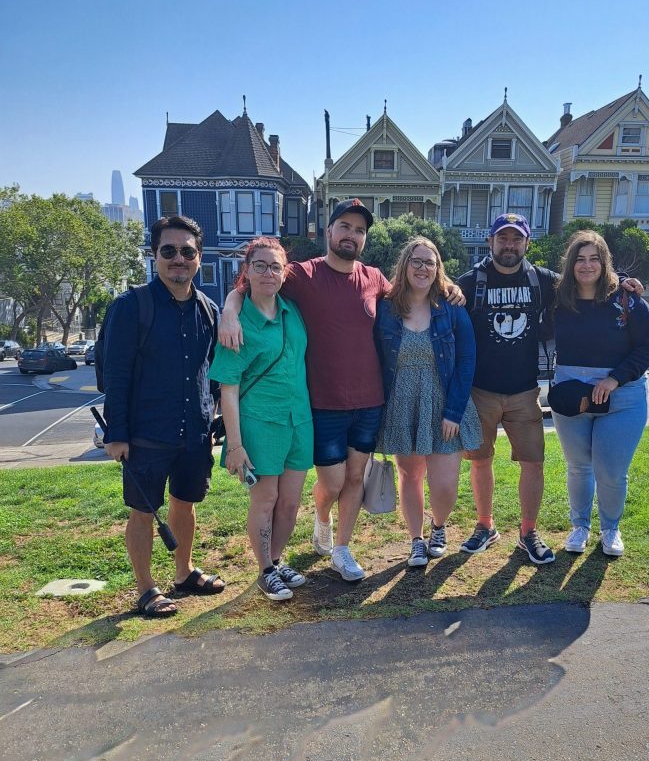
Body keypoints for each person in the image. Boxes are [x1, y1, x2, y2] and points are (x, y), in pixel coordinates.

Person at [218, 198, 466, 583]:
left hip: (369, 402)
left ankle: (343, 548)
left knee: (355, 479)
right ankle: (322, 519)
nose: (352, 235)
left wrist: (449, 288)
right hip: (321, 404)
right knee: (331, 482)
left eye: (359, 230)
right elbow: (256, 281)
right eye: (345, 227)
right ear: (328, 231)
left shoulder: (374, 279)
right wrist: (230, 309)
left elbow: (417, 287)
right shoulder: (303, 274)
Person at [456, 213, 644, 566]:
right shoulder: (469, 282)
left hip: (525, 391)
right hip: (479, 391)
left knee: (533, 463)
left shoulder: (542, 281)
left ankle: (528, 532)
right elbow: (439, 299)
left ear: (527, 243)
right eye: (502, 238)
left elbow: (588, 282)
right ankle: (485, 526)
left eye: (516, 239)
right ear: (490, 242)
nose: (509, 245)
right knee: (480, 461)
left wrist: (625, 282)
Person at [103, 215, 222, 618]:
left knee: (185, 504)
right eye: (168, 251)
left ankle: (184, 572)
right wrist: (116, 433)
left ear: (199, 258)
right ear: (154, 255)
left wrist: (214, 419)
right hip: (145, 436)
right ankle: (145, 587)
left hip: (194, 433)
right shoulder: (131, 306)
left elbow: (212, 371)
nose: (178, 259)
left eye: (187, 252)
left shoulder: (209, 309)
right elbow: (115, 375)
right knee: (143, 511)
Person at [209, 238, 312, 601]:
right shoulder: (236, 326)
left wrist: (229, 304)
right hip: (259, 424)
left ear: (285, 273)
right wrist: (234, 445)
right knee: (265, 500)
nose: (269, 273)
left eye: (275, 267)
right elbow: (229, 389)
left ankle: (277, 559)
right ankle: (265, 569)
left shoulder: (292, 311)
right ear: (247, 272)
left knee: (291, 502)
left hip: (300, 421)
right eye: (260, 266)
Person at [550, 230, 649, 556]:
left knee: (611, 471)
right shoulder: (559, 299)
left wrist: (615, 378)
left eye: (594, 259)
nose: (586, 266)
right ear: (571, 264)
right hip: (573, 394)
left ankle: (610, 528)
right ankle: (579, 526)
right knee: (578, 466)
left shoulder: (627, 299)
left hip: (622, 396)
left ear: (604, 262)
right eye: (580, 259)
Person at [374, 238, 481, 566]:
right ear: (405, 265)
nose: (423, 268)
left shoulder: (451, 307)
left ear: (438, 269)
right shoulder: (386, 308)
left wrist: (454, 412)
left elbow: (467, 359)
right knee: (410, 475)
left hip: (444, 403)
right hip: (402, 403)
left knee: (445, 483)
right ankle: (416, 539)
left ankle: (438, 526)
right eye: (416, 261)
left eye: (429, 262)